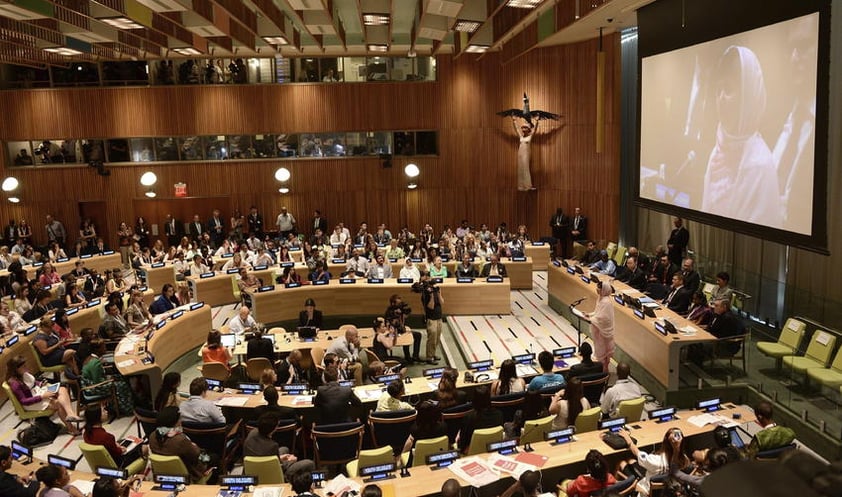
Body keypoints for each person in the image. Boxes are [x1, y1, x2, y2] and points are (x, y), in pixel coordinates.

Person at [702, 46, 781, 227]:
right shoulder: (717, 152)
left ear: (748, 96)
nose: (721, 97)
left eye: (728, 89)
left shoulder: (760, 164)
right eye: (718, 89)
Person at [5, 355, 80, 434]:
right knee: (59, 403)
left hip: (38, 392)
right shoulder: (15, 384)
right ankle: (70, 428)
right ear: (16, 369)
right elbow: (24, 401)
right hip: (32, 402)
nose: (26, 367)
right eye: (23, 366)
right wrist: (42, 396)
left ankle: (70, 413)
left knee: (62, 389)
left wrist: (42, 384)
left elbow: (33, 382)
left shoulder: (23, 374)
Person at [618, 426, 690, 497]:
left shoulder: (655, 461)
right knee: (631, 461)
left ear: (665, 443)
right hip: (667, 488)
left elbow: (636, 452)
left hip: (645, 491)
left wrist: (628, 438)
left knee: (622, 463)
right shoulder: (684, 460)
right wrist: (676, 447)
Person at [244, 412, 315, 480]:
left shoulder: (252, 433)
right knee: (309, 463)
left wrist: (280, 458)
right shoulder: (272, 446)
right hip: (271, 472)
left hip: (253, 466)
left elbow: (266, 457)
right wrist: (291, 461)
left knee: (284, 449)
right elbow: (279, 466)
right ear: (273, 429)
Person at [149, 406, 211, 483]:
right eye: (180, 418)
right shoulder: (181, 440)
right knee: (214, 458)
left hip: (162, 475)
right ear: (175, 422)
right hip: (188, 475)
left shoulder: (152, 436)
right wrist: (194, 446)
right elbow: (196, 455)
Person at [82, 339, 135, 416]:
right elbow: (98, 382)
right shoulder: (95, 363)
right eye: (103, 347)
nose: (105, 349)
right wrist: (110, 379)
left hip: (92, 384)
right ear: (97, 350)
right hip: (93, 388)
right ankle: (127, 409)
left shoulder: (91, 358)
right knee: (122, 384)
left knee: (121, 377)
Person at [456, 385, 503, 453]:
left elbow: (462, 442)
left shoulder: (469, 418)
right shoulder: (499, 414)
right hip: (493, 449)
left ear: (474, 400)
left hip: (472, 452)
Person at [400, 400, 447, 464]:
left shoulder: (415, 429)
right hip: (437, 459)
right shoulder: (443, 426)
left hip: (416, 462)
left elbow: (409, 443)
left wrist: (402, 454)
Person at [589, 281, 616, 372]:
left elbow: (603, 318)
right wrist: (589, 315)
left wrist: (591, 319)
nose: (597, 289)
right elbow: (597, 312)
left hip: (604, 330)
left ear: (603, 289)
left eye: (599, 288)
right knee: (600, 349)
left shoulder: (606, 302)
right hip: (599, 329)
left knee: (604, 351)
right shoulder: (600, 298)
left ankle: (604, 371)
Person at [419, 271, 444, 364]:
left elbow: (442, 302)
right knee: (432, 339)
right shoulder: (425, 293)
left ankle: (433, 354)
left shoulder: (436, 290)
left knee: (437, 338)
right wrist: (432, 295)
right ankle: (429, 357)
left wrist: (438, 292)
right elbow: (431, 306)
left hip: (439, 317)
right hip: (431, 318)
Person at [512, 116, 538, 191]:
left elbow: (535, 130)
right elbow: (516, 129)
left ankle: (528, 186)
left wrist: (536, 122)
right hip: (520, 154)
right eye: (523, 128)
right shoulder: (521, 137)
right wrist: (514, 121)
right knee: (520, 169)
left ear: (528, 129)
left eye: (525, 128)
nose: (523, 129)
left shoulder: (530, 137)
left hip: (526, 154)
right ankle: (521, 186)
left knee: (526, 168)